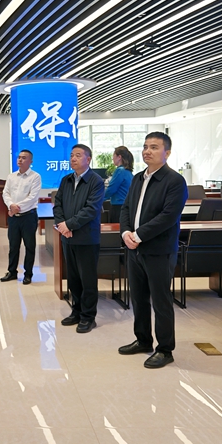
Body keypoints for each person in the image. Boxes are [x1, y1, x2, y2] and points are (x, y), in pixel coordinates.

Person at [119, 131, 188, 369]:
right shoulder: (138, 178)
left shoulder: (174, 180)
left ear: (167, 152)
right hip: (134, 249)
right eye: (145, 146)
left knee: (160, 301)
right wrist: (126, 233)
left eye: (154, 147)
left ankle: (165, 349)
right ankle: (143, 340)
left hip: (158, 250)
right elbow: (126, 208)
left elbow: (168, 216)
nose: (147, 151)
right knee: (138, 299)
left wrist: (138, 235)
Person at [53, 144, 105, 333]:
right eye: (71, 155)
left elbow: (91, 209)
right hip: (68, 238)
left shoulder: (96, 181)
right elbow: (58, 204)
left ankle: (88, 317)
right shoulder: (66, 180)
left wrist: (69, 225)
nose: (73, 159)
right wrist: (62, 225)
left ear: (88, 159)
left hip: (86, 238)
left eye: (78, 155)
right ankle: (76, 311)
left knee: (87, 280)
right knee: (73, 278)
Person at [1, 150, 42, 285]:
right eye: (19, 157)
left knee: (29, 246)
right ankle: (12, 272)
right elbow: (5, 193)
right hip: (14, 217)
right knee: (13, 246)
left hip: (28, 217)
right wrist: (11, 205)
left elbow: (32, 197)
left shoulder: (35, 177)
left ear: (30, 161)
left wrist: (15, 207)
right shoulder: (11, 176)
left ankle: (28, 274)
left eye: (24, 158)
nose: (20, 160)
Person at [104, 146, 134, 224]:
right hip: (127, 207)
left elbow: (111, 190)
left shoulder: (120, 171)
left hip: (118, 207)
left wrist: (97, 200)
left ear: (119, 157)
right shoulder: (128, 171)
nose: (112, 158)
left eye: (114, 156)